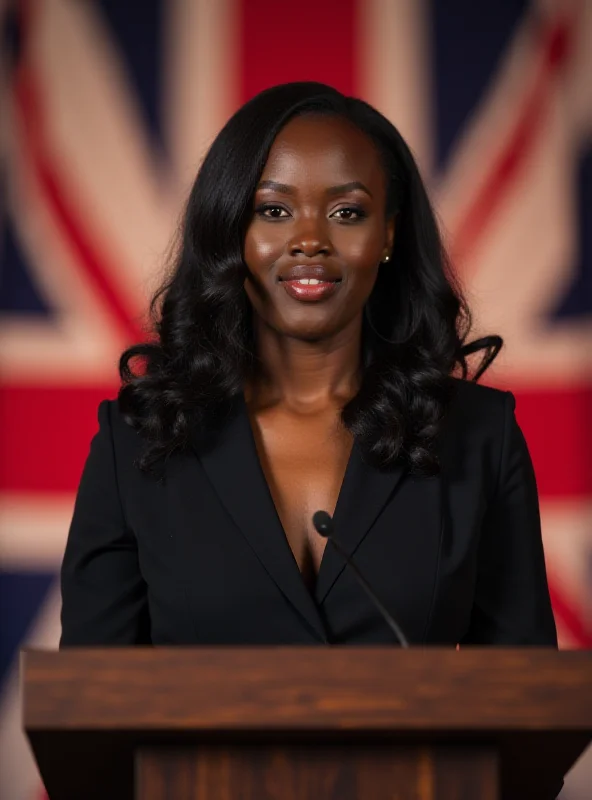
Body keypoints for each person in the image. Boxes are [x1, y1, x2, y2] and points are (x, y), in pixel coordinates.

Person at [59, 82, 557, 649]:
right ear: (232, 230)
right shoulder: (137, 441)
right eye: (273, 210)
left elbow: (528, 698)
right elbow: (89, 704)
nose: (310, 239)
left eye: (347, 211)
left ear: (387, 234)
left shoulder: (480, 436)